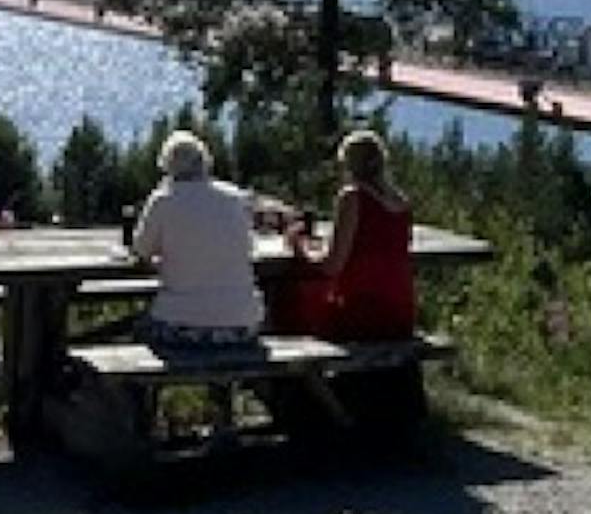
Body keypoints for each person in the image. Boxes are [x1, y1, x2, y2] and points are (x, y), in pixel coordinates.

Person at [127, 128, 285, 349]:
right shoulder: (234, 198)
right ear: (206, 162)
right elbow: (248, 246)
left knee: (138, 332)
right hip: (243, 324)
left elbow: (141, 251)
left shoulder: (163, 200)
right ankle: (225, 384)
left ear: (167, 166)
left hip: (182, 322)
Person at [265, 126, 418, 342]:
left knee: (289, 298)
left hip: (365, 312)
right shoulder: (401, 202)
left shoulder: (353, 197)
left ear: (349, 164)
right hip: (401, 313)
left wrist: (299, 247)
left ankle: (287, 371)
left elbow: (332, 266)